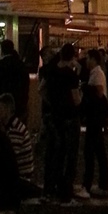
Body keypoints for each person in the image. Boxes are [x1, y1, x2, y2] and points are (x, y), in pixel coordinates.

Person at [42, 42, 82, 203]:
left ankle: (49, 188)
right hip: (69, 118)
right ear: (72, 56)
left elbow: (41, 90)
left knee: (52, 153)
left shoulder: (50, 71)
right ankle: (65, 190)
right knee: (70, 155)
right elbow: (76, 99)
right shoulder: (70, 75)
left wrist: (51, 102)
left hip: (54, 116)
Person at [78, 48, 108, 199]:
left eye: (88, 58)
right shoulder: (96, 73)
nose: (86, 61)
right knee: (98, 152)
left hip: (94, 118)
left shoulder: (97, 73)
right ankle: (102, 185)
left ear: (94, 59)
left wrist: (85, 88)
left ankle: (87, 185)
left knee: (90, 152)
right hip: (96, 118)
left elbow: (99, 92)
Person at [0, 92, 35, 187]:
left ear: (7, 110)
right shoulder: (10, 126)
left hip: (21, 179)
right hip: (18, 176)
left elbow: (9, 158)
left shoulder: (15, 129)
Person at [0, 39, 30, 123]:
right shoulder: (21, 65)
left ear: (1, 50)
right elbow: (25, 85)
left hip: (1, 103)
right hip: (19, 103)